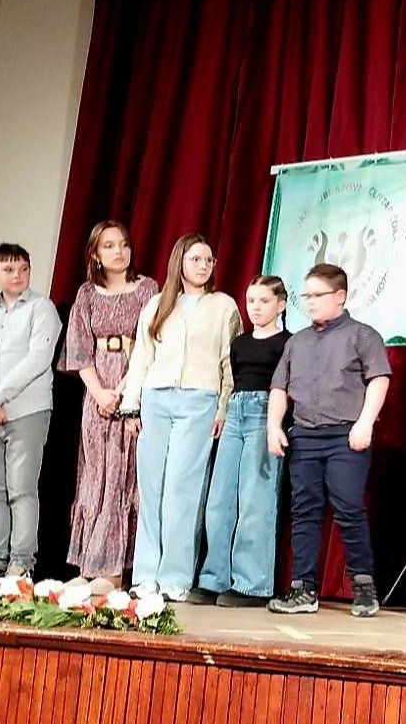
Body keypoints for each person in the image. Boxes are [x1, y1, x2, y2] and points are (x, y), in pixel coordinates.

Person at [118, 234, 242, 602]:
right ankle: (145, 575)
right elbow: (141, 357)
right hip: (156, 399)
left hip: (199, 401)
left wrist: (223, 408)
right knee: (151, 489)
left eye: (208, 260)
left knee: (181, 490)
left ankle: (175, 576)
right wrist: (131, 405)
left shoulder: (224, 306)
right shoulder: (157, 304)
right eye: (195, 259)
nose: (203, 265)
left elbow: (229, 364)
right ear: (180, 263)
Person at [266, 263, 391, 618]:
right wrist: (273, 426)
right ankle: (303, 588)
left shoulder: (362, 335)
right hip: (305, 435)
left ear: (340, 296)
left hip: (345, 435)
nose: (309, 302)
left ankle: (363, 587)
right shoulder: (297, 342)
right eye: (305, 296)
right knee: (304, 511)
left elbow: (379, 379)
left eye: (317, 295)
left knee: (348, 507)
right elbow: (279, 388)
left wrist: (364, 423)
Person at [58, 221, 158, 587]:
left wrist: (122, 390)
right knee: (94, 478)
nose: (119, 251)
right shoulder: (87, 293)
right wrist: (100, 392)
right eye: (110, 246)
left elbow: (150, 344)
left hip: (131, 387)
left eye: (124, 244)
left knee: (120, 477)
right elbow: (79, 350)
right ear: (96, 254)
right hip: (96, 391)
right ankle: (88, 567)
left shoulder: (147, 289)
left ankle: (113, 572)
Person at [0, 244, 61, 578]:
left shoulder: (41, 308)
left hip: (27, 409)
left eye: (23, 269)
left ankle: (21, 561)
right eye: (8, 269)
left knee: (21, 488)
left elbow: (37, 359)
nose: (17, 275)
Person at [192, 275, 292, 606]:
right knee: (219, 498)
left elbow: (286, 386)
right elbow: (233, 379)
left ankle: (252, 584)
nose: (256, 308)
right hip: (236, 411)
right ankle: (214, 578)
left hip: (265, 413)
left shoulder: (287, 343)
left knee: (255, 500)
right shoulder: (240, 343)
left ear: (281, 304)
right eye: (251, 301)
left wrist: (277, 423)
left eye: (264, 301)